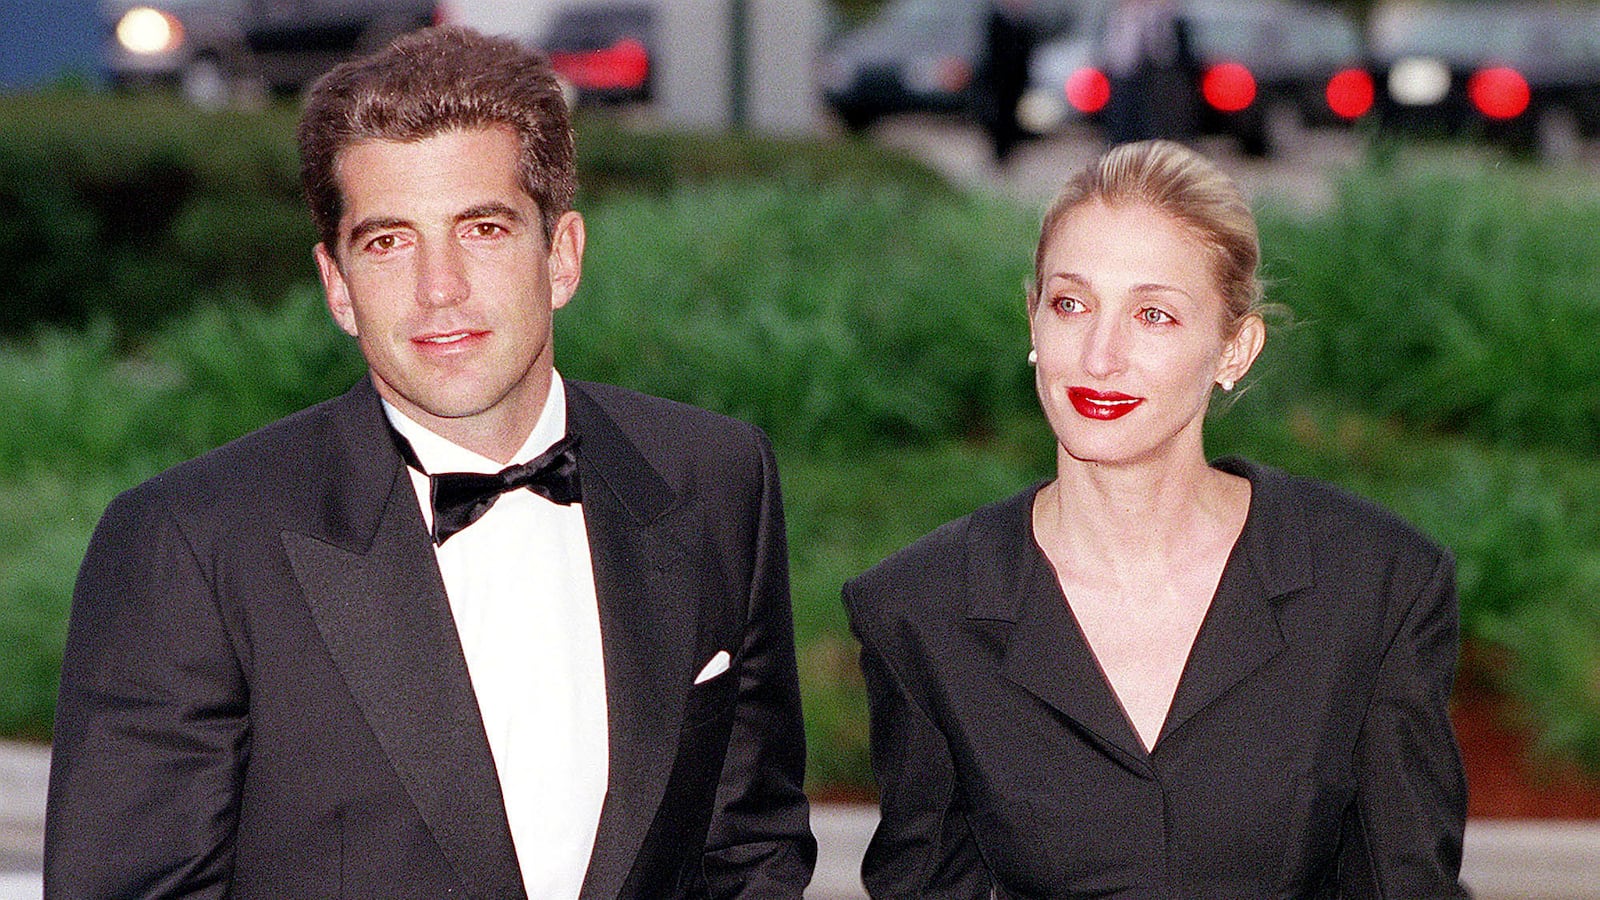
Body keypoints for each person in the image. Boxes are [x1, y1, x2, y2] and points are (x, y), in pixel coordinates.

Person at [44, 26, 815, 899]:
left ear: (561, 256)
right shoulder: (192, 545)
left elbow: (751, 844)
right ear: (337, 286)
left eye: (481, 228)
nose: (437, 287)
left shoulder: (714, 477)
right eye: (387, 242)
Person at [843, 140, 1469, 897]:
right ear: (1033, 321)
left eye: (1154, 315)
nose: (1100, 357)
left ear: (1234, 348)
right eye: (1071, 304)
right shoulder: (921, 608)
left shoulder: (1374, 586)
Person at [1101, 0, 1198, 145]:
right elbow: (1113, 53)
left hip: (1159, 82)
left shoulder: (1169, 17)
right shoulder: (1119, 18)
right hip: (1125, 80)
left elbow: (1172, 52)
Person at [974, 0, 1038, 165]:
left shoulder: (1025, 23)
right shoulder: (995, 20)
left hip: (1015, 81)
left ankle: (1007, 156)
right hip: (997, 80)